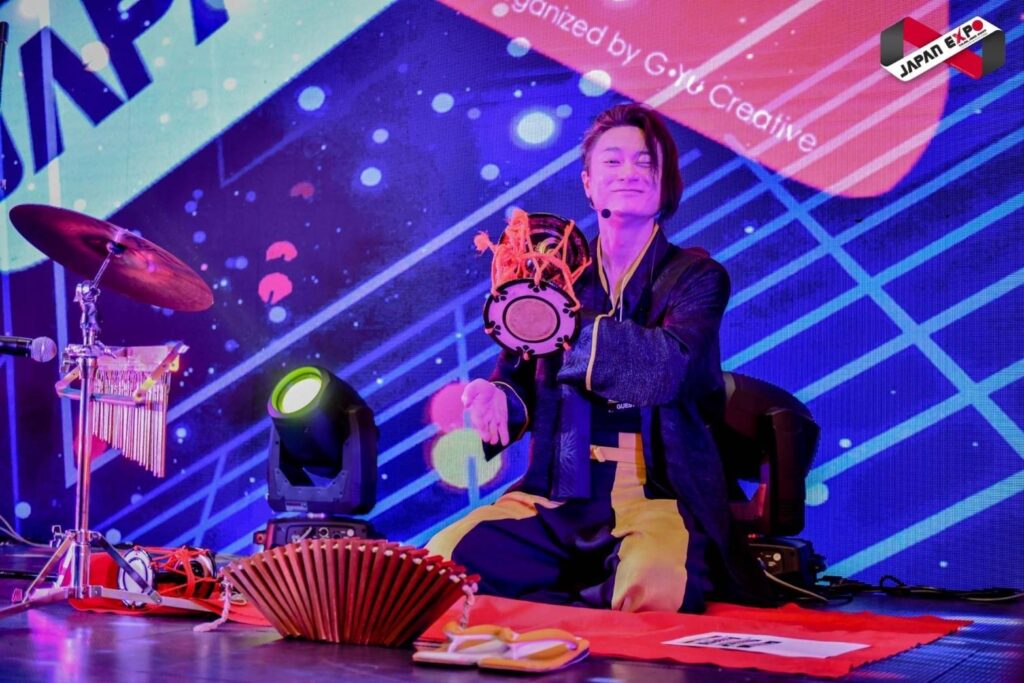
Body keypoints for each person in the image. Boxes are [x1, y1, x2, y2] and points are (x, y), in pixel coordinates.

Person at [426, 103, 775, 613]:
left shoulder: (698, 278)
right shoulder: (553, 278)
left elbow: (665, 371)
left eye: (645, 162)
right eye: (612, 161)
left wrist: (563, 321)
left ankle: (587, 596)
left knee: (653, 587)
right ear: (588, 184)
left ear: (666, 184)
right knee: (444, 564)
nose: (629, 172)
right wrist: (498, 398)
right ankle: (582, 599)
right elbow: (518, 377)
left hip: (656, 492)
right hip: (559, 489)